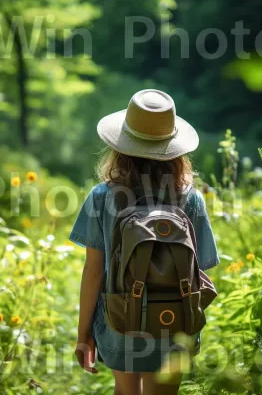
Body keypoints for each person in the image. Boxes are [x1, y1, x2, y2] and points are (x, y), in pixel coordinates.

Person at [70, 89, 220, 395]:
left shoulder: (102, 197)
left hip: (119, 318)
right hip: (174, 322)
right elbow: (201, 269)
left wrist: (84, 334)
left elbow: (94, 272)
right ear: (175, 148)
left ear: (121, 146)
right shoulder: (191, 199)